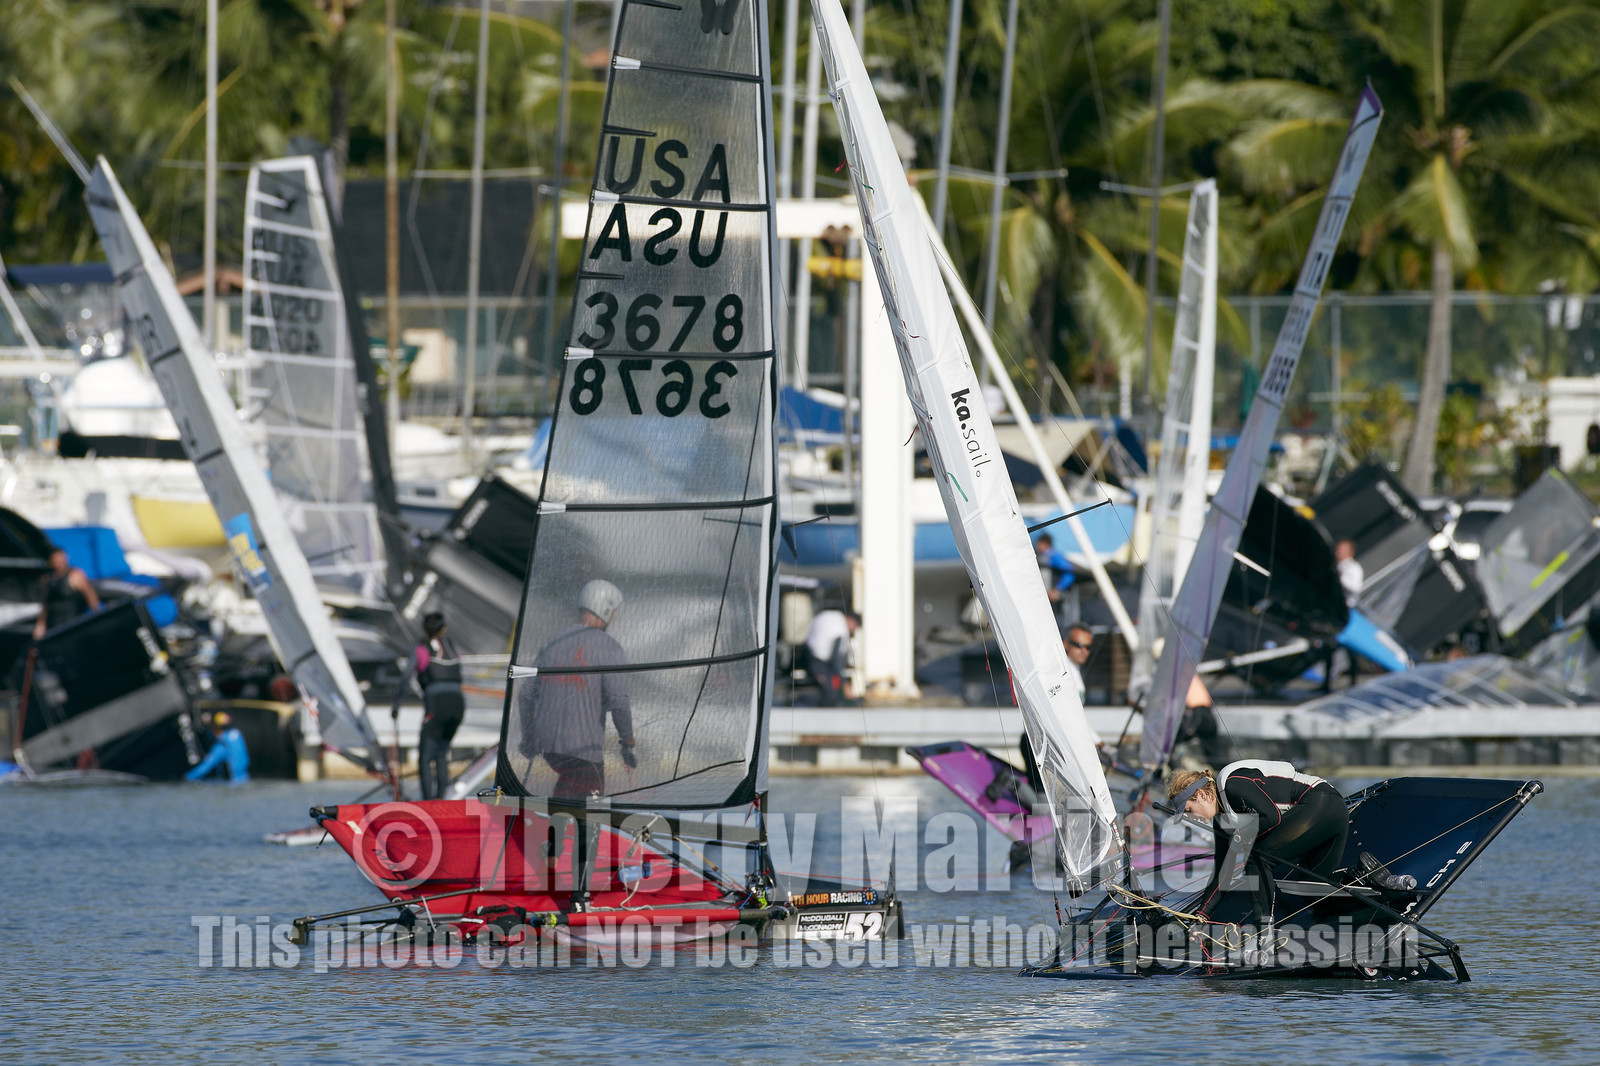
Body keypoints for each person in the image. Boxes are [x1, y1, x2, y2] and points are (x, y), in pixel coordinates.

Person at [1169, 760, 1359, 924]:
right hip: (1328, 812)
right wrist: (1201, 915)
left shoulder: (1232, 785)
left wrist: (1240, 837)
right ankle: (1364, 892)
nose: (1190, 818)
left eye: (1188, 810)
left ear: (1201, 795)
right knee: (1313, 893)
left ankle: (1263, 937)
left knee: (1256, 857)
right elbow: (1223, 873)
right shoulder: (1222, 821)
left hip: (1321, 802)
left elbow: (1271, 817)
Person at [519, 580, 635, 800]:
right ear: (606, 610)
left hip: (548, 748)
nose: (613, 618)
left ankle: (557, 817)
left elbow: (526, 694)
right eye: (613, 613)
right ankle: (569, 821)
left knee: (568, 788)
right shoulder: (609, 647)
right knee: (593, 809)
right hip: (584, 751)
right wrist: (627, 741)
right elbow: (619, 701)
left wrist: (529, 739)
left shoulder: (553, 641)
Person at [395, 612, 465, 800]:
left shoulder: (421, 648)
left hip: (437, 705)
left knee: (425, 758)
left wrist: (396, 704)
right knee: (441, 754)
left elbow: (406, 677)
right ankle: (441, 800)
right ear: (444, 628)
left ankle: (428, 803)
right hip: (458, 705)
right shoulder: (453, 646)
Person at [34, 544, 100, 640]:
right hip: (54, 627)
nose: (57, 561)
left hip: (73, 626)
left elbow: (90, 596)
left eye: (58, 558)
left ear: (65, 558)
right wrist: (40, 626)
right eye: (54, 559)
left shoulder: (75, 575)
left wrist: (97, 615)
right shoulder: (46, 579)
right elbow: (45, 605)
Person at [1173, 673, 1230, 769]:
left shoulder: (1181, 674)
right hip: (1208, 714)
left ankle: (1174, 771)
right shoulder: (1192, 675)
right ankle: (1227, 769)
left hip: (1197, 715)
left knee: (1171, 742)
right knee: (1213, 756)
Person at [805, 607, 860, 707]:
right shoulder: (840, 630)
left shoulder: (836, 617)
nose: (854, 630)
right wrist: (845, 684)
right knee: (831, 695)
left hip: (810, 651)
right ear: (851, 620)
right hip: (817, 661)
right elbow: (836, 660)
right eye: (855, 626)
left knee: (832, 687)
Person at [185, 711, 250, 782]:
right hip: (244, 777)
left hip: (235, 779)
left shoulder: (222, 745)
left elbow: (205, 768)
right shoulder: (236, 734)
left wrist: (187, 778)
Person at [1034, 533, 1078, 624]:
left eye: (1039, 543)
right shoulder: (1039, 556)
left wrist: (1057, 589)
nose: (1037, 546)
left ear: (1045, 544)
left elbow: (1070, 574)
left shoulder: (1054, 556)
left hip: (1056, 600)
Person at [1062, 623, 1093, 702]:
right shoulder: (1061, 673)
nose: (1084, 651)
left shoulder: (1076, 670)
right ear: (1065, 644)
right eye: (1079, 645)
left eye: (1088, 647)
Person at [1334, 539, 1363, 608]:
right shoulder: (1335, 563)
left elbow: (1356, 587)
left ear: (1350, 552)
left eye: (1343, 550)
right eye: (1338, 549)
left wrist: (1341, 577)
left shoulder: (1354, 568)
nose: (1339, 551)